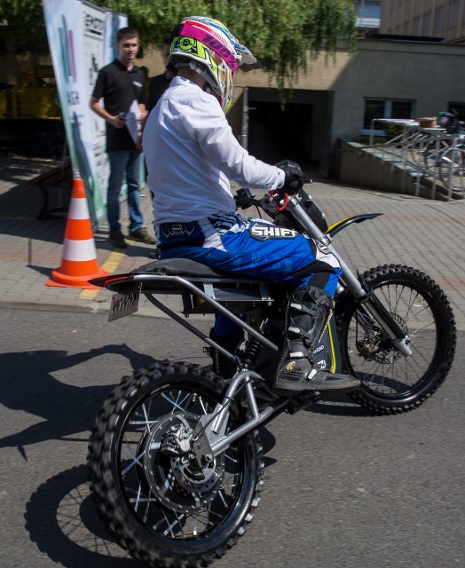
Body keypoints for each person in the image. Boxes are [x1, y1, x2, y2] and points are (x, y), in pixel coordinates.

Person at [142, 16, 357, 392]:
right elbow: (236, 162)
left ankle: (224, 373)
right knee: (321, 259)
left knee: (241, 293)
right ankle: (297, 360)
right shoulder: (196, 100)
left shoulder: (163, 107)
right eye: (231, 66)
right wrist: (282, 177)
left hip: (175, 235)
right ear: (213, 58)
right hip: (211, 234)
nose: (231, 75)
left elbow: (197, 169)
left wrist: (228, 195)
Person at [90, 27, 156, 249]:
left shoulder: (139, 74)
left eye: (134, 45)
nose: (130, 49)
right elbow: (93, 103)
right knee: (115, 186)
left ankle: (136, 227)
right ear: (117, 46)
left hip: (135, 140)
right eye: (126, 45)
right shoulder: (107, 72)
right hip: (117, 139)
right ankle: (114, 230)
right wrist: (111, 120)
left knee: (135, 185)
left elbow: (142, 104)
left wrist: (144, 117)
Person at [146, 34, 173, 112]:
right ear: (162, 55)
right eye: (167, 54)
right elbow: (149, 111)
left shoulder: (186, 83)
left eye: (172, 54)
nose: (170, 58)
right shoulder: (155, 82)